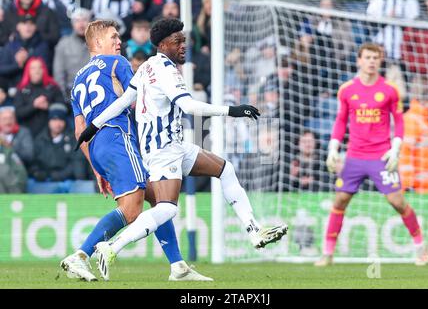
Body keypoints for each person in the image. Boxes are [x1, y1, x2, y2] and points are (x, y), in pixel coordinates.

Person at [76, 18, 288, 281]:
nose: (183, 45)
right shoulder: (165, 70)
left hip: (175, 145)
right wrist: (232, 110)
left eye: (184, 39)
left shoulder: (145, 67)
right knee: (167, 208)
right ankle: (112, 246)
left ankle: (253, 230)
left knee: (224, 169)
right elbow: (190, 108)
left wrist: (92, 126)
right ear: (163, 44)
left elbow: (123, 102)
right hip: (163, 150)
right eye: (178, 41)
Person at [60, 19, 212, 282]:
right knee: (132, 211)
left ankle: (178, 266)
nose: (120, 42)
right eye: (113, 37)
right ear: (97, 43)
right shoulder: (117, 63)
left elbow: (79, 131)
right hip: (118, 137)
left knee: (157, 196)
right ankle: (81, 256)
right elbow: (141, 94)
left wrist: (97, 168)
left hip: (98, 145)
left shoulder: (78, 79)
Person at [315, 43, 428, 267]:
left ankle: (420, 248)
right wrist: (333, 149)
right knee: (340, 200)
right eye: (367, 57)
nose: (371, 61)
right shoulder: (347, 90)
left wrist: (395, 149)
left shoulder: (389, 89)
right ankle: (327, 254)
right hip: (354, 156)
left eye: (375, 58)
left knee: (397, 202)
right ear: (359, 60)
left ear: (380, 61)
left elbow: (399, 121)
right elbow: (340, 121)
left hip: (381, 156)